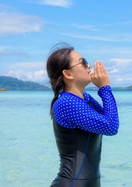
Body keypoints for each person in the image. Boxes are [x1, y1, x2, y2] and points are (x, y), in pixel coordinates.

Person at [46, 44, 119, 187]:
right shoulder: (66, 103)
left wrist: (104, 88)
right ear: (68, 74)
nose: (89, 66)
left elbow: (108, 119)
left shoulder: (84, 98)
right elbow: (111, 127)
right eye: (83, 62)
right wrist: (105, 88)